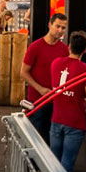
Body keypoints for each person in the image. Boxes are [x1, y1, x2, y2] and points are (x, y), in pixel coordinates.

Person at [48, 30, 86, 172]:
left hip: (56, 119)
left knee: (53, 162)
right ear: (85, 50)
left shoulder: (55, 63)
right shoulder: (85, 70)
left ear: (69, 46)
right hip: (75, 123)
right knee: (66, 164)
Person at [19, 13, 68, 141]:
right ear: (50, 25)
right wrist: (40, 88)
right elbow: (23, 72)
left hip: (56, 102)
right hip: (37, 101)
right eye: (57, 26)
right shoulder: (35, 47)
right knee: (36, 139)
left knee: (53, 139)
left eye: (63, 28)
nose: (60, 31)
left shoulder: (64, 49)